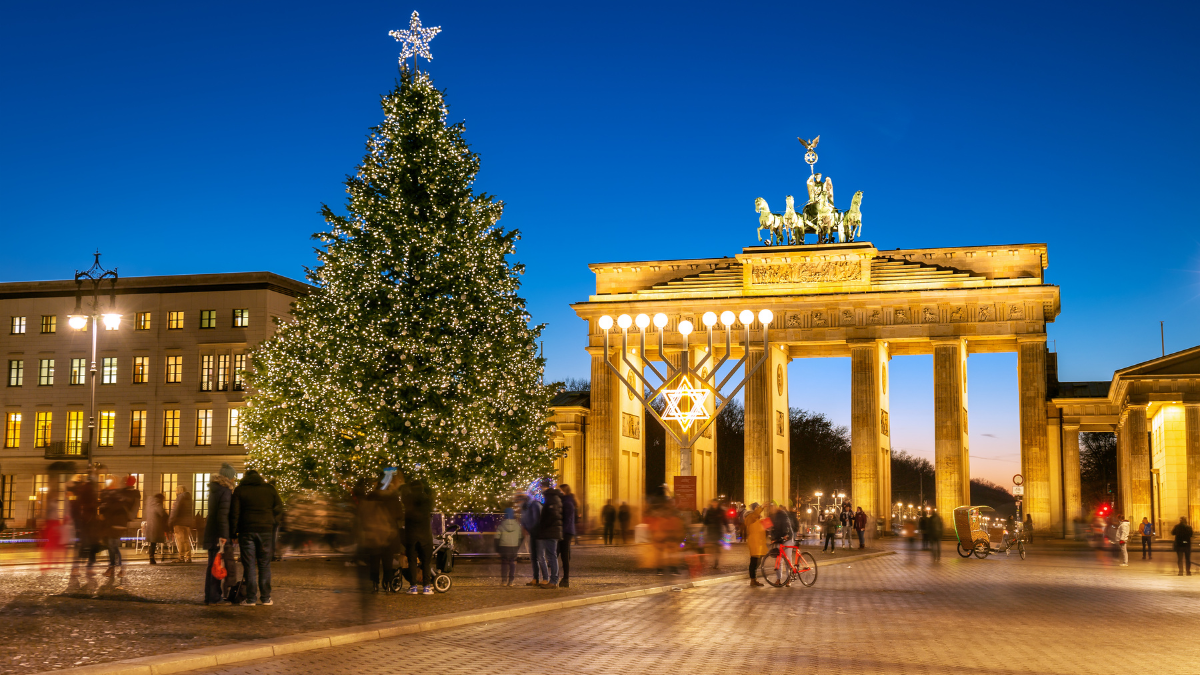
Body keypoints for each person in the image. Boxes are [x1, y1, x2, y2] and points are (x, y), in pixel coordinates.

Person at [230, 469, 284, 605]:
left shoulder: (240, 490)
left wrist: (233, 532)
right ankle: (266, 598)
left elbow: (234, 513)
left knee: (249, 565)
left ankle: (251, 598)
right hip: (266, 530)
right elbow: (279, 508)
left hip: (246, 531)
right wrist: (273, 523)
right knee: (264, 565)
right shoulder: (269, 489)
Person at [359, 472, 402, 593]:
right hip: (388, 533)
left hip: (373, 533)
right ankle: (388, 583)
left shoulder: (371, 496)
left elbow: (363, 513)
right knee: (387, 560)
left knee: (374, 560)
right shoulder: (392, 497)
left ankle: (374, 584)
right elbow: (399, 515)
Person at [204, 464, 237, 604]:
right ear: (229, 477)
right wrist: (224, 535)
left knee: (212, 563)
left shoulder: (215, 490)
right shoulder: (225, 491)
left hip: (211, 532)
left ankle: (211, 595)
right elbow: (223, 515)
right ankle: (214, 596)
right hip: (219, 533)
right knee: (217, 564)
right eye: (233, 476)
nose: (235, 479)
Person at [98, 476, 138, 587]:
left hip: (119, 522)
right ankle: (113, 567)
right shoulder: (120, 493)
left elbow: (116, 506)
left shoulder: (125, 495)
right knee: (111, 545)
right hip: (112, 523)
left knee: (113, 545)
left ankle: (119, 567)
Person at [400, 478, 436, 595]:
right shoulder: (427, 500)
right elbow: (432, 495)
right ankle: (426, 586)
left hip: (411, 534)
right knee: (426, 561)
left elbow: (403, 493)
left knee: (412, 561)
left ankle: (413, 586)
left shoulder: (408, 499)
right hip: (425, 535)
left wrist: (405, 485)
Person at [534, 480, 564, 588]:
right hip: (551, 530)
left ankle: (553, 581)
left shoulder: (551, 498)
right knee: (551, 556)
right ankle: (553, 580)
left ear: (544, 487)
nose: (540, 490)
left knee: (552, 556)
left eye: (541, 487)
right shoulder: (552, 497)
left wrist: (543, 525)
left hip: (551, 531)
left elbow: (552, 516)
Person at [519, 494, 542, 586]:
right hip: (532, 532)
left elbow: (537, 519)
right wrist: (524, 526)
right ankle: (535, 578)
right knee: (534, 556)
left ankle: (545, 578)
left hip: (537, 533)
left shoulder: (534, 505)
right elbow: (524, 518)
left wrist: (531, 529)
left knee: (540, 557)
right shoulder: (524, 507)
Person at [496, 507, 522, 586]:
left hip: (504, 546)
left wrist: (497, 548)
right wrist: (517, 546)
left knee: (504, 563)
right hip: (514, 547)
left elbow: (497, 538)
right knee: (512, 563)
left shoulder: (501, 525)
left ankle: (504, 581)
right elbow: (520, 537)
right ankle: (511, 581)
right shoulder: (517, 526)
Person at [169, 484, 194, 563]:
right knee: (186, 540)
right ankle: (188, 557)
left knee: (180, 541)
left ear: (180, 490)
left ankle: (181, 557)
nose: (175, 492)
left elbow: (175, 510)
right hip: (187, 523)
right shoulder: (189, 499)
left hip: (179, 523)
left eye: (176, 490)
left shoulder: (179, 498)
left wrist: (170, 521)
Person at [558, 484, 577, 588]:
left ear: (564, 491)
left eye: (560, 490)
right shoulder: (565, 501)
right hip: (565, 531)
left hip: (566, 532)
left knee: (564, 556)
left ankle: (565, 579)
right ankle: (558, 577)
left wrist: (562, 533)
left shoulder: (567, 502)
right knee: (563, 554)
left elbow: (567, 520)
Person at [744, 503, 767, 587]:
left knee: (758, 561)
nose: (758, 509)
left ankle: (754, 579)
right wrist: (762, 507)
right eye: (757, 507)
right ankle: (753, 579)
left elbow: (764, 527)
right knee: (754, 562)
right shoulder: (750, 517)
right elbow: (755, 515)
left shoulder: (757, 518)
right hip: (754, 543)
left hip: (759, 543)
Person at [144, 493, 168, 565]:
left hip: (150, 525)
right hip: (156, 525)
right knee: (154, 542)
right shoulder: (157, 504)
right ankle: (152, 558)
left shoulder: (150, 503)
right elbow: (162, 513)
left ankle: (151, 557)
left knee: (152, 543)